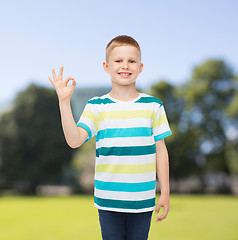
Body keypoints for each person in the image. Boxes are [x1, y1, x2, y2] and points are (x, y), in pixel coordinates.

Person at [48, 35, 172, 240]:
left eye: (132, 61)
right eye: (118, 60)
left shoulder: (153, 105)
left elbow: (161, 150)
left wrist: (165, 192)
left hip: (142, 200)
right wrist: (64, 102)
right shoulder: (96, 106)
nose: (125, 66)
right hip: (108, 200)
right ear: (106, 66)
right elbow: (74, 140)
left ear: (140, 67)